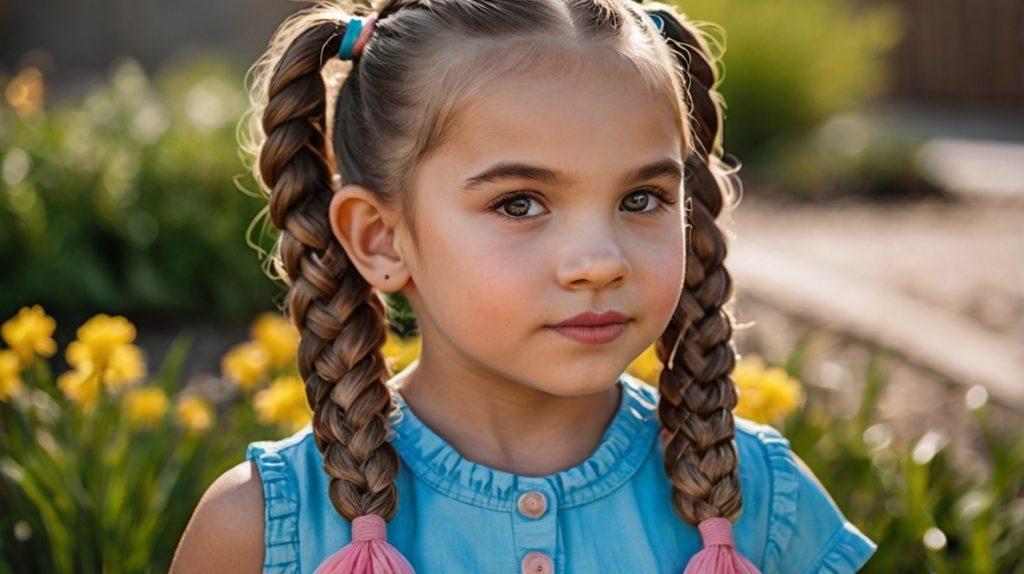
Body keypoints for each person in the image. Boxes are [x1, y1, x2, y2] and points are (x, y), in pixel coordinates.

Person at [170, 1, 878, 572]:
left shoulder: (765, 504)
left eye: (642, 199)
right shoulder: (259, 533)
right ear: (380, 238)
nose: (599, 262)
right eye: (519, 204)